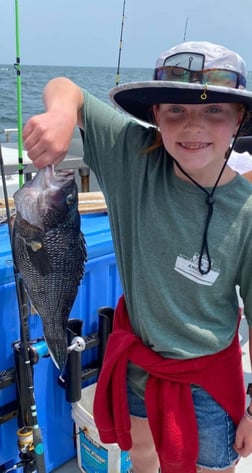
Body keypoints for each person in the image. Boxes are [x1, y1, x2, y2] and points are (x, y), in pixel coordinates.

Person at [23, 41, 252, 473]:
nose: (192, 127)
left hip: (207, 380)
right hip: (137, 362)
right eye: (176, 111)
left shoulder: (247, 215)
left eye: (214, 111)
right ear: (155, 116)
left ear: (239, 118)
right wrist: (59, 116)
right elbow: (66, 88)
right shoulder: (134, 156)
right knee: (141, 454)